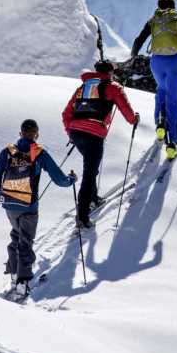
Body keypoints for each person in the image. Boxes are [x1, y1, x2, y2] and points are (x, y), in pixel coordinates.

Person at [0, 118, 75, 298]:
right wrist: (71, 180)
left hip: (9, 204)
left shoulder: (8, 151)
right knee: (25, 241)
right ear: (36, 135)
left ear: (20, 133)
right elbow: (59, 178)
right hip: (29, 206)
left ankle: (14, 275)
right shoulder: (38, 152)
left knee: (16, 235)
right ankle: (23, 282)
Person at [61, 60, 140, 229]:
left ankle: (93, 198)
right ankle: (82, 217)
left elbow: (66, 113)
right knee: (89, 173)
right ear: (110, 72)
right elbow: (125, 109)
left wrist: (71, 132)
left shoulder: (83, 88)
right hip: (94, 135)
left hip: (76, 133)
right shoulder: (113, 87)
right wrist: (134, 119)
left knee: (91, 167)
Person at [129, 0, 177, 160]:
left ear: (159, 6)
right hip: (175, 62)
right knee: (172, 100)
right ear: (173, 7)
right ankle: (172, 143)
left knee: (161, 90)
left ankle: (160, 124)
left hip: (156, 62)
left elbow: (138, 40)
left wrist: (133, 54)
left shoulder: (153, 20)